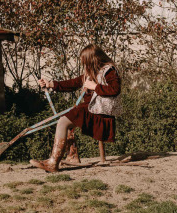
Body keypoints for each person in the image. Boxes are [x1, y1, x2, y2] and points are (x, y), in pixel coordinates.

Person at [33, 44, 122, 172]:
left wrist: (94, 86)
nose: (84, 65)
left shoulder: (109, 70)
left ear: (93, 59)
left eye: (85, 61)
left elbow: (115, 89)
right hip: (89, 108)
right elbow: (73, 83)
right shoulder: (91, 71)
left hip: (99, 111)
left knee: (63, 121)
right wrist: (51, 84)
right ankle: (72, 156)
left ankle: (53, 163)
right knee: (67, 119)